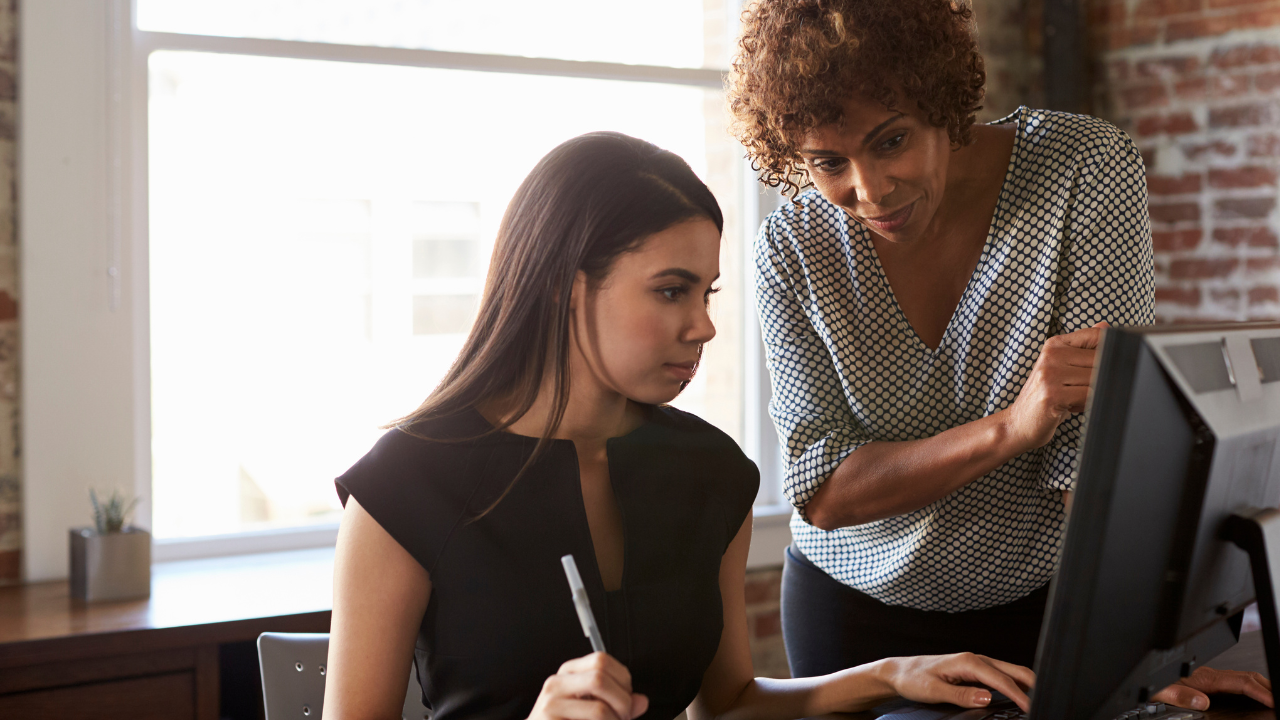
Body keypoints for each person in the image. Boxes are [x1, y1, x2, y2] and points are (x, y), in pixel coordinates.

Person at [321, 131, 1043, 720]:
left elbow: (727, 704)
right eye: (671, 291)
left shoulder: (712, 473)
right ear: (562, 286)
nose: (702, 326)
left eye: (706, 293)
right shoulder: (403, 489)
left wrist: (891, 675)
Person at [727, 0, 1272, 711]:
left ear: (942, 102)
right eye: (829, 162)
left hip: (1043, 609)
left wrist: (1139, 655)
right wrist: (1012, 428)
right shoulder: (792, 248)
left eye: (891, 141)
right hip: (855, 621)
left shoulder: (1080, 169)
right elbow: (825, 491)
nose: (870, 190)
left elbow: (1095, 458)